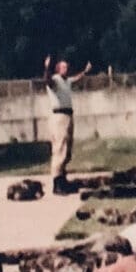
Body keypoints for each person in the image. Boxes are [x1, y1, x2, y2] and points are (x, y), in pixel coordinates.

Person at [43, 54, 92, 194]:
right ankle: (57, 183)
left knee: (67, 150)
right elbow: (47, 81)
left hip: (68, 115)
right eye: (63, 67)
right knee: (59, 149)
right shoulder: (55, 80)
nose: (66, 68)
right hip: (59, 116)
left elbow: (76, 79)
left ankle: (63, 179)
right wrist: (46, 68)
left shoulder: (67, 81)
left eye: (67, 67)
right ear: (58, 69)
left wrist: (85, 71)